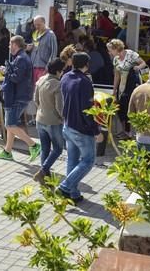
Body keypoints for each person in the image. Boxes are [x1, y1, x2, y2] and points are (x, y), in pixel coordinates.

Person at [58, 52, 102, 203]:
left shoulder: (65, 77)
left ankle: (73, 193)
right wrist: (96, 130)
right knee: (88, 160)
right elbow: (87, 110)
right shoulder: (84, 82)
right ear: (86, 65)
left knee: (72, 159)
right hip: (81, 128)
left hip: (68, 124)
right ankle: (66, 186)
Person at [0, 36, 41, 162]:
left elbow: (16, 78)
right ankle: (7, 151)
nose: (9, 46)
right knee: (11, 124)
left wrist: (5, 71)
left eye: (10, 44)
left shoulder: (21, 59)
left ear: (15, 45)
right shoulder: (20, 58)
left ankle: (34, 145)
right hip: (17, 95)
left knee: (9, 125)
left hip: (18, 96)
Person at [33, 58, 66, 185]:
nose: (62, 73)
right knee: (58, 148)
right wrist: (62, 118)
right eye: (62, 71)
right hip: (53, 121)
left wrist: (42, 109)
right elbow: (59, 107)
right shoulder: (57, 84)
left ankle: (45, 177)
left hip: (39, 118)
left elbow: (35, 99)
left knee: (45, 148)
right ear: (58, 71)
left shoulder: (41, 80)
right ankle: (43, 171)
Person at [107, 39, 147, 132]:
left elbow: (143, 63)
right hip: (122, 85)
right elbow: (116, 75)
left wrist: (138, 67)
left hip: (132, 84)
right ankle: (124, 131)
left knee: (129, 108)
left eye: (110, 50)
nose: (109, 52)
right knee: (120, 109)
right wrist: (114, 90)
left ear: (116, 49)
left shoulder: (130, 54)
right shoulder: (115, 59)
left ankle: (129, 132)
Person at [27, 15, 58, 84]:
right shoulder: (35, 34)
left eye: (39, 25)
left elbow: (54, 53)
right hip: (33, 67)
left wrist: (48, 68)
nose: (37, 27)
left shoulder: (51, 35)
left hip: (43, 68)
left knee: (41, 91)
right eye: (35, 25)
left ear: (44, 23)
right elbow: (35, 47)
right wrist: (29, 48)